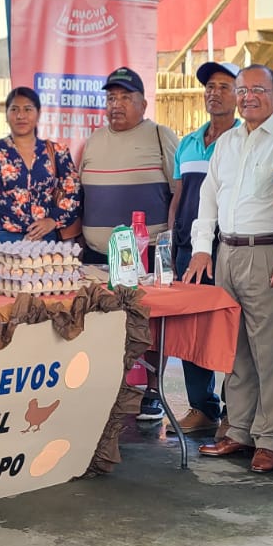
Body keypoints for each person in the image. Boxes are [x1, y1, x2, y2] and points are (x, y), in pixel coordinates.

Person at [186, 65, 273, 473]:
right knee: (234, 351)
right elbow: (208, 198)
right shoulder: (227, 142)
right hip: (226, 252)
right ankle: (238, 431)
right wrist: (202, 250)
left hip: (268, 252)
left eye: (258, 90)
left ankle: (269, 439)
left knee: (271, 353)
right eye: (243, 90)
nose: (249, 97)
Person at [78, 66, 179, 422]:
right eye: (111, 98)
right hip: (97, 254)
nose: (116, 104)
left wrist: (170, 240)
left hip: (145, 253)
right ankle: (106, 390)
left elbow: (178, 191)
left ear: (143, 103)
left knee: (148, 324)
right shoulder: (92, 141)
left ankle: (153, 392)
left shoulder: (160, 137)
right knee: (102, 326)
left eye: (125, 97)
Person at [166, 60, 241, 437]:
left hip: (228, 249)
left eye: (224, 86)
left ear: (240, 94)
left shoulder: (245, 141)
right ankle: (202, 407)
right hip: (188, 250)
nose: (215, 93)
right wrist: (172, 238)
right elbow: (179, 196)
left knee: (231, 331)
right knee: (192, 330)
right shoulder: (188, 142)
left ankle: (234, 414)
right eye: (210, 86)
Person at [0, 86, 82, 243]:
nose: (21, 115)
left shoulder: (57, 151)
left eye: (27, 109)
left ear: (38, 114)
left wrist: (52, 221)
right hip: (3, 237)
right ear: (6, 115)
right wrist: (31, 226)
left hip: (45, 236)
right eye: (14, 109)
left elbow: (73, 191)